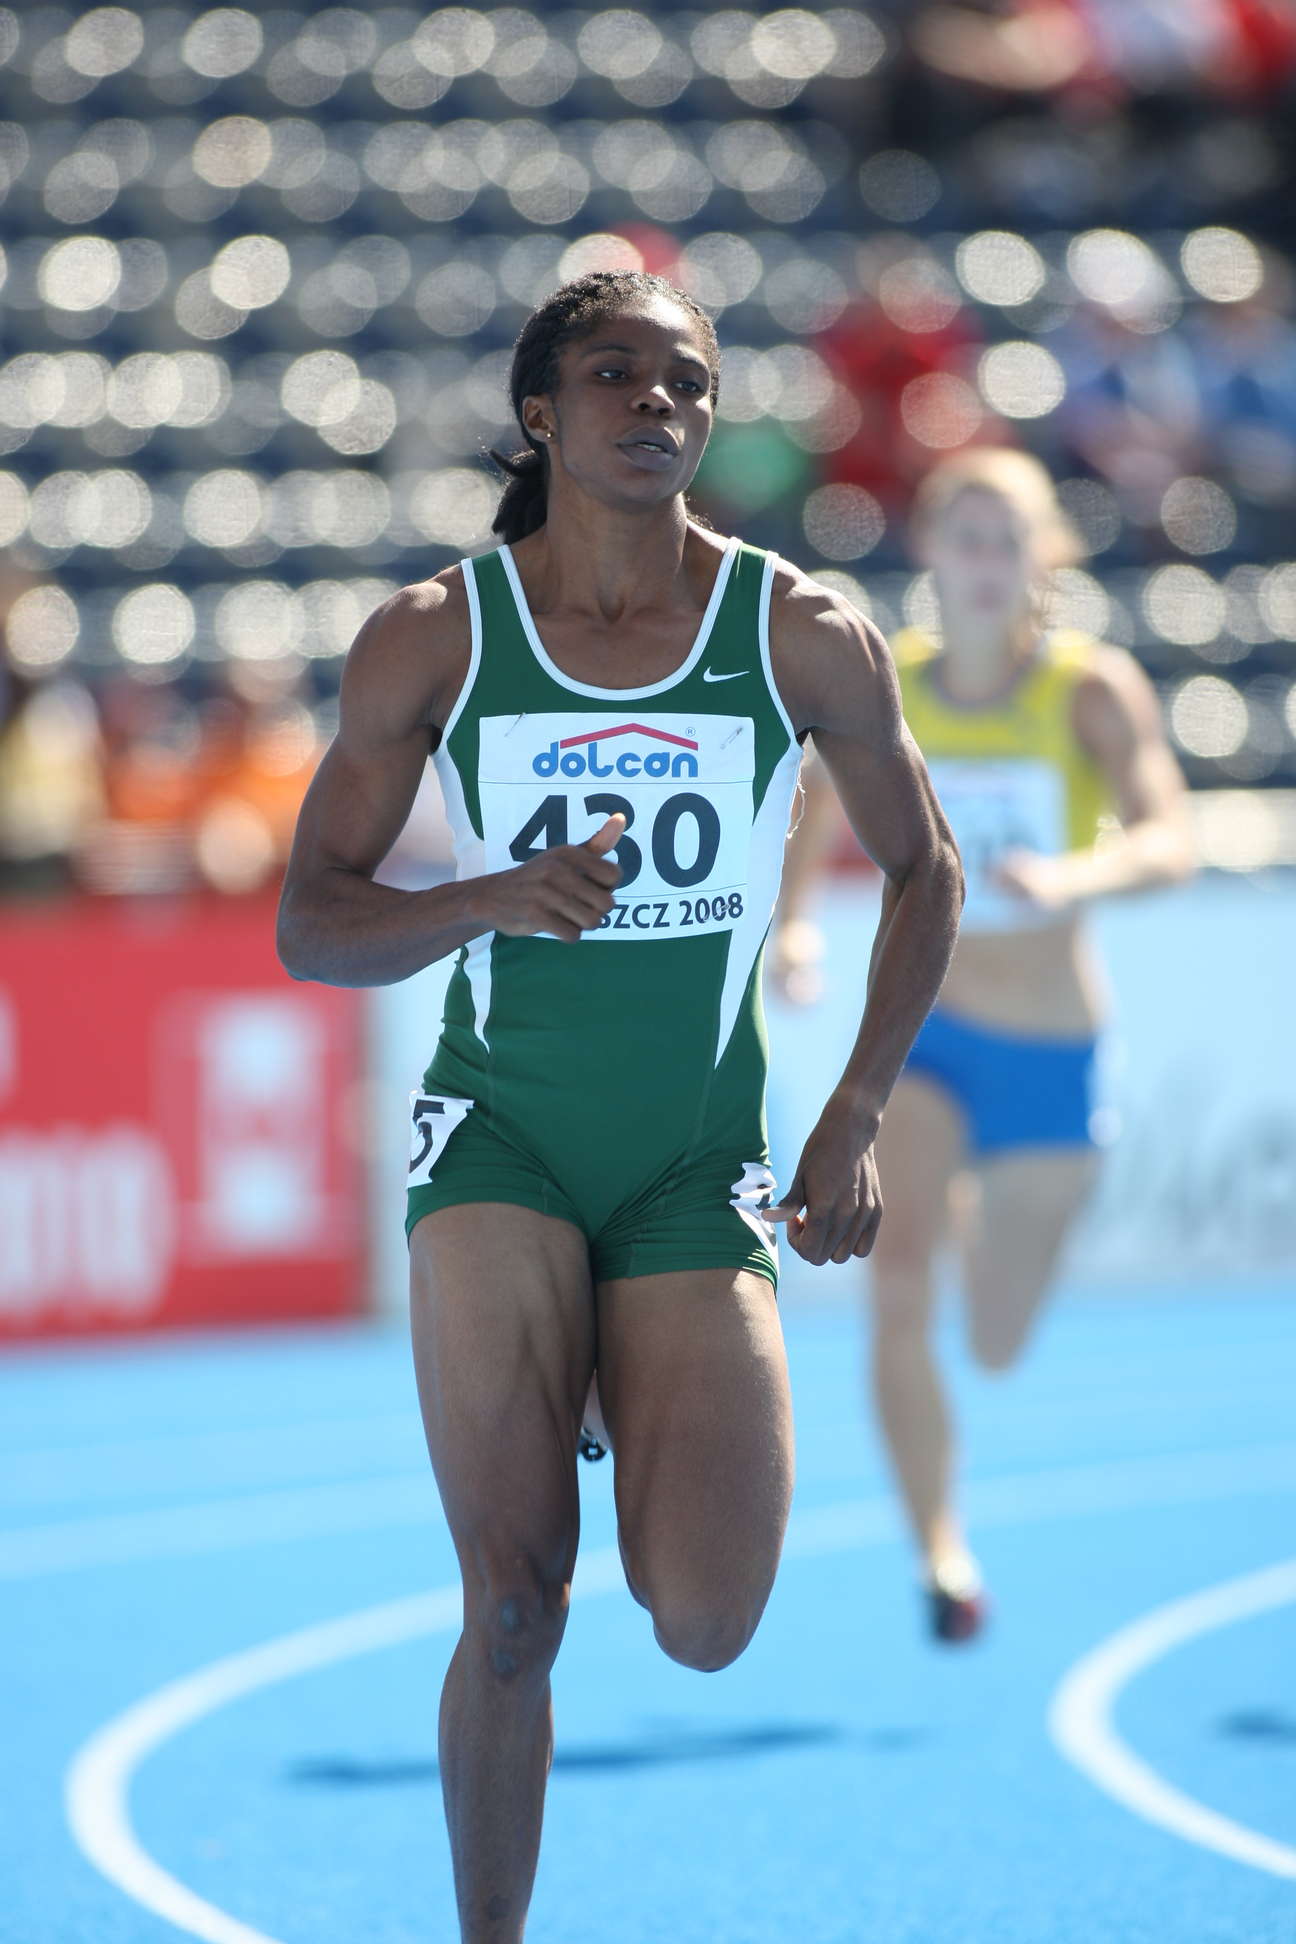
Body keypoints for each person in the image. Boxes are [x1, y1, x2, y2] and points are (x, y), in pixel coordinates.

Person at [277, 269, 963, 1943]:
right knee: (517, 1606)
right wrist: (487, 898)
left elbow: (927, 871)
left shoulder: (797, 633)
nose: (657, 402)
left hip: (690, 1161)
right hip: (500, 1142)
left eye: (688, 382)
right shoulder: (437, 636)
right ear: (541, 413)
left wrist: (853, 1111)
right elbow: (313, 923)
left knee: (707, 1621)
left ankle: (608, 1366)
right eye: (614, 373)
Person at [771, 446, 1194, 1643]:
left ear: (1041, 559)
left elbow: (1172, 837)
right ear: (933, 555)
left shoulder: (1087, 689)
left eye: (1009, 541)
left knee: (998, 1339)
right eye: (968, 538)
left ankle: (970, 1229)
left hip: (1050, 1050)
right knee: (896, 1284)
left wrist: (1074, 875)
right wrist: (795, 930)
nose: (988, 562)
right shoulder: (885, 682)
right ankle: (940, 1554)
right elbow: (809, 806)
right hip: (928, 1034)